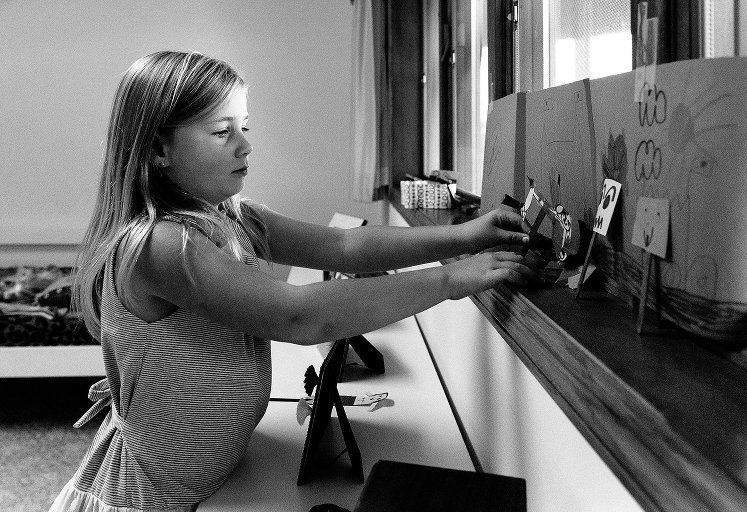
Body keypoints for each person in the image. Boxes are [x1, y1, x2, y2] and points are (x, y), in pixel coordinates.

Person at [50, 50, 541, 512]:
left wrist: (463, 236)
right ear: (159, 147)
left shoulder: (234, 217)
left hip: (217, 476)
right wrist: (452, 279)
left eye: (244, 126)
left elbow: (343, 246)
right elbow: (299, 315)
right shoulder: (161, 246)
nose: (246, 144)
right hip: (153, 499)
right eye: (222, 132)